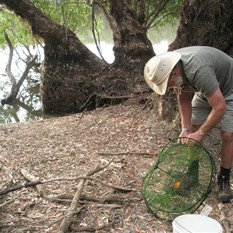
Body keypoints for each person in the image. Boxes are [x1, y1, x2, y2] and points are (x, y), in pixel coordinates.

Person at [144, 46, 233, 202]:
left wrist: (201, 134)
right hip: (207, 90)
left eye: (168, 84)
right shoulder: (175, 68)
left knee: (228, 134)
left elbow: (220, 107)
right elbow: (183, 99)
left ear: (174, 73)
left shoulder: (198, 70)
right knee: (192, 129)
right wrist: (186, 130)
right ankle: (193, 175)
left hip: (229, 89)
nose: (169, 88)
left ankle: (224, 179)